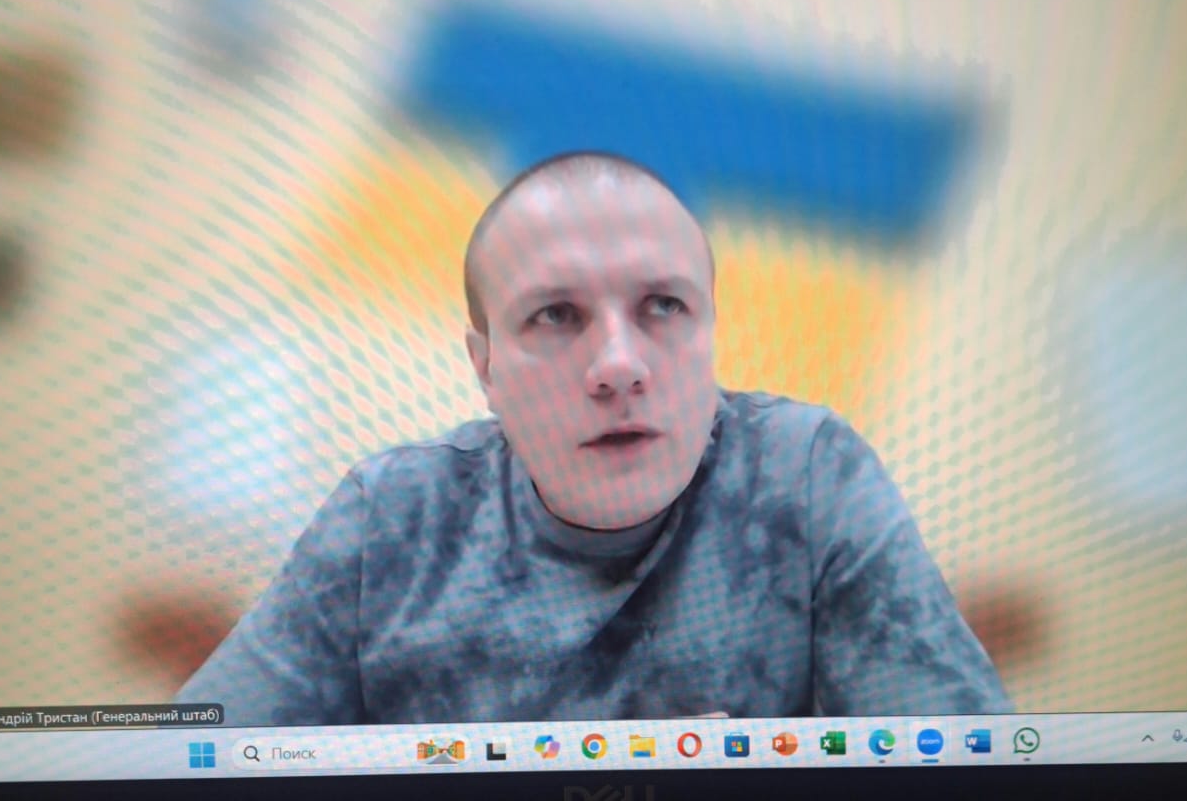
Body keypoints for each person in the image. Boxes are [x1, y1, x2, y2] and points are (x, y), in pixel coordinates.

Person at [177, 151, 1011, 725]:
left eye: (663, 306)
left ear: (710, 333)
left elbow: (964, 763)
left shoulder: (806, 473)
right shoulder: (392, 516)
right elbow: (191, 761)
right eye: (555, 314)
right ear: (485, 367)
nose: (617, 365)